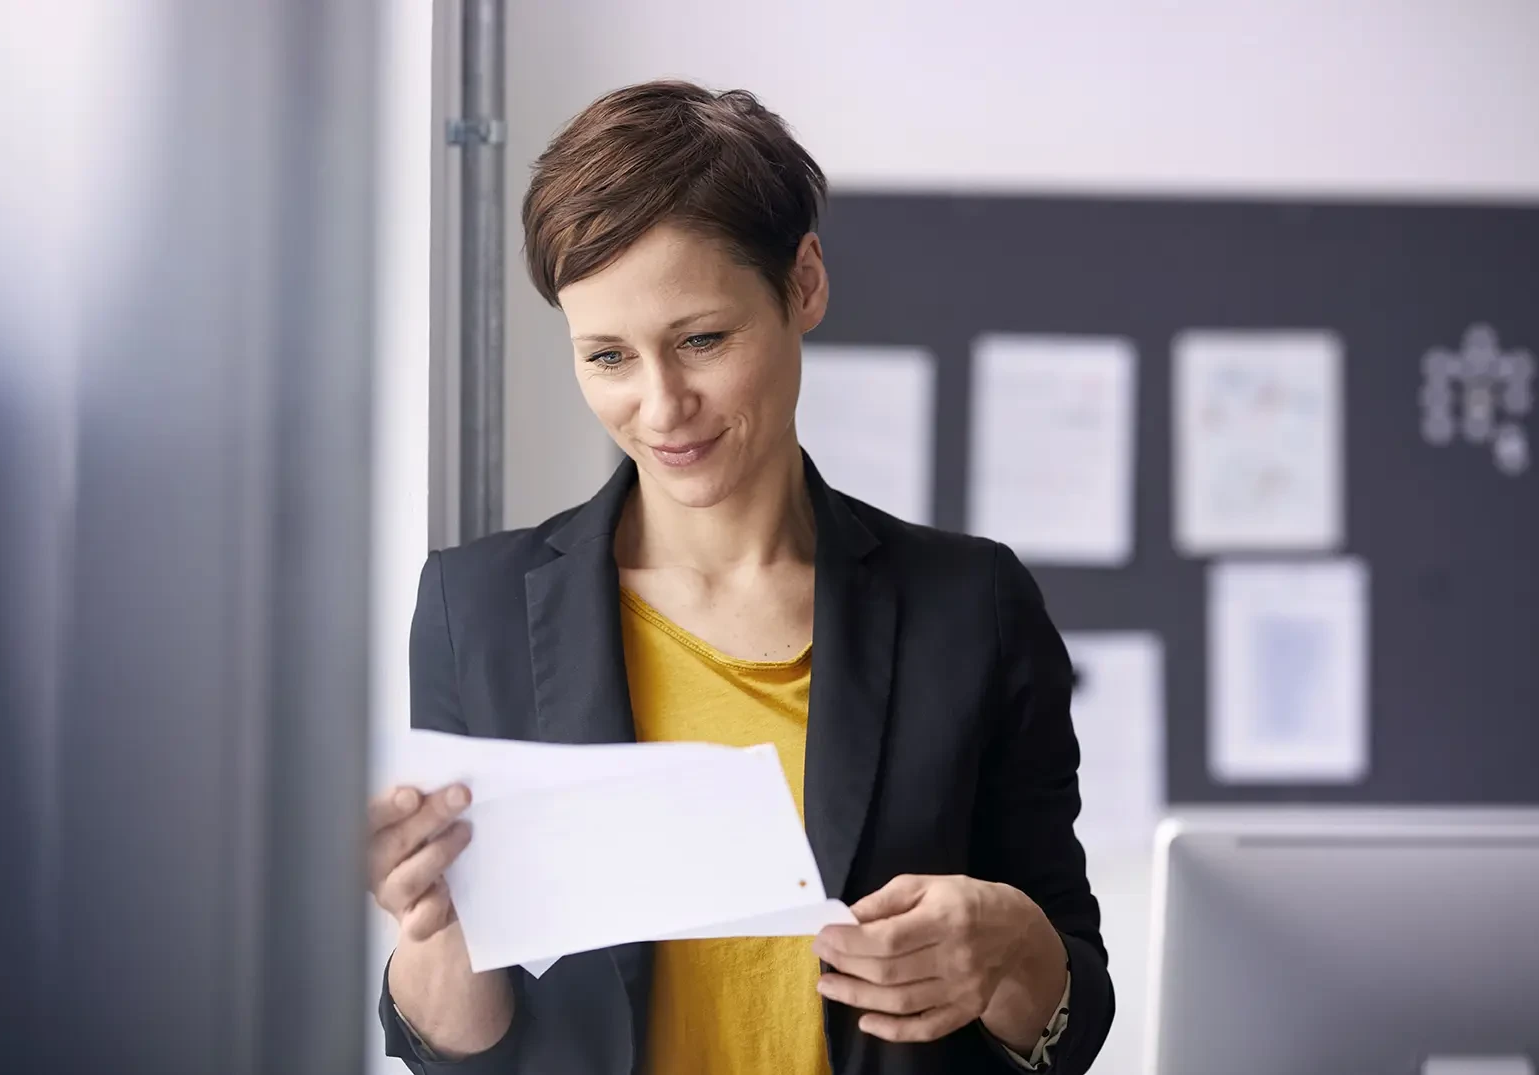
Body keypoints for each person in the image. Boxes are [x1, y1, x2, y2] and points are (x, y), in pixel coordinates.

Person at [367, 80, 1114, 1075]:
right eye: (607, 356)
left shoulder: (970, 608)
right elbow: (460, 1055)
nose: (661, 405)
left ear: (803, 282)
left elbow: (1070, 1015)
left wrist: (1012, 945)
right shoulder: (478, 609)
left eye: (702, 340)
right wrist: (433, 929)